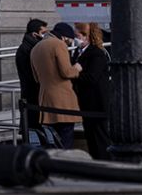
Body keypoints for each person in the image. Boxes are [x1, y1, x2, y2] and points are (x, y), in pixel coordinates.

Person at [30, 21, 81, 149]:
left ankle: (53, 165)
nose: (69, 43)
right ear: (64, 37)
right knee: (66, 140)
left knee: (53, 141)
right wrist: (77, 68)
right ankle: (64, 167)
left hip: (45, 100)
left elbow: (36, 78)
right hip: (62, 101)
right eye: (69, 40)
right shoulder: (58, 45)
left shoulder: (36, 48)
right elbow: (66, 72)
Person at [71, 22, 111, 159]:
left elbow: (92, 78)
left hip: (97, 103)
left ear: (86, 36)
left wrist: (76, 73)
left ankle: (104, 164)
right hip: (86, 102)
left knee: (100, 137)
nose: (76, 39)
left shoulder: (97, 53)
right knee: (90, 136)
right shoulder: (78, 52)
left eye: (78, 35)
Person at [15, 18, 47, 140]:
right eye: (43, 33)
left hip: (33, 95)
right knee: (33, 130)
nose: (45, 36)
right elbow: (31, 75)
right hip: (32, 95)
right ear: (35, 34)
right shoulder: (27, 50)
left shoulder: (29, 48)